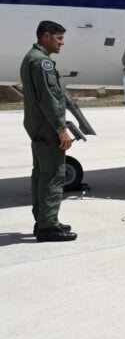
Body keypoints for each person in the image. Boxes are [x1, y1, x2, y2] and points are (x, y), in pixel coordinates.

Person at [21, 21, 76, 242]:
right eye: (58, 38)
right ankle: (47, 227)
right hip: (47, 125)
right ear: (45, 36)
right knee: (53, 174)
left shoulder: (31, 58)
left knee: (41, 174)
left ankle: (44, 220)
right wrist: (61, 128)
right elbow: (48, 98)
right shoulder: (41, 61)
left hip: (37, 125)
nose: (62, 43)